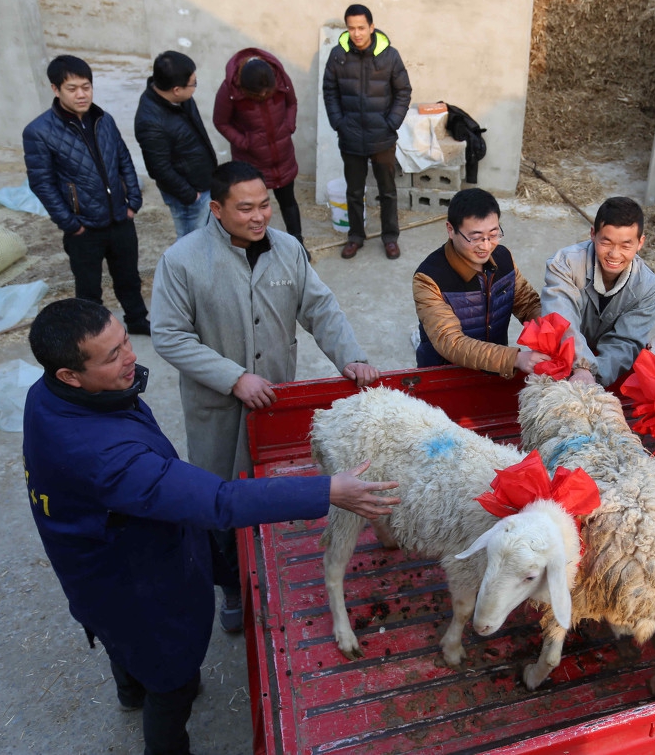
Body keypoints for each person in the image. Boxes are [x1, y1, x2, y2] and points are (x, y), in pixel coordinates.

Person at [22, 297, 398, 755]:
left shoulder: (50, 396)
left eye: (124, 341)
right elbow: (218, 503)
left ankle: (130, 691)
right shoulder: (104, 456)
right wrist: (326, 490)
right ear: (70, 374)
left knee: (120, 638)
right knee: (170, 681)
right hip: (128, 573)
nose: (131, 356)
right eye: (113, 355)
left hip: (92, 554)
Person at [150, 160, 383, 631]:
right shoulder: (183, 261)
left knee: (269, 484)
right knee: (217, 495)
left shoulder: (288, 250)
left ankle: (270, 565)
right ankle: (232, 586)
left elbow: (320, 308)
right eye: (245, 208)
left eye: (264, 205)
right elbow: (169, 335)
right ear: (216, 209)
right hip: (216, 407)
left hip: (275, 399)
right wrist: (233, 377)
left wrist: (351, 357)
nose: (258, 217)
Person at [23, 54, 150, 334]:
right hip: (84, 227)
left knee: (129, 277)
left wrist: (133, 203)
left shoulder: (104, 120)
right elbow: (41, 183)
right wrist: (71, 224)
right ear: (55, 89)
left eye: (86, 86)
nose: (82, 94)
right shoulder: (39, 132)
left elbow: (124, 161)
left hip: (120, 218)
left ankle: (138, 321)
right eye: (72, 88)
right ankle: (95, 336)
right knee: (89, 287)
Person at [413, 187, 549, 377]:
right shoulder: (429, 278)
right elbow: (451, 342)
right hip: (446, 375)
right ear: (451, 230)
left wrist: (550, 332)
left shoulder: (503, 258)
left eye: (493, 235)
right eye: (475, 238)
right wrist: (514, 359)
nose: (486, 246)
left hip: (496, 368)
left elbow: (527, 303)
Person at [540, 196, 655, 388]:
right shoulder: (565, 263)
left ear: (640, 242)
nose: (614, 254)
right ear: (593, 234)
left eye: (625, 245)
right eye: (606, 242)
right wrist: (581, 366)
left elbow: (626, 343)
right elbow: (561, 320)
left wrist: (593, 376)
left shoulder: (648, 287)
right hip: (562, 358)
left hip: (605, 371)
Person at [323, 3, 411, 260]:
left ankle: (390, 237)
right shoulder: (338, 56)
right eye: (351, 28)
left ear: (371, 27)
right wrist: (338, 122)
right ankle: (356, 236)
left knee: (387, 191)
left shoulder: (390, 56)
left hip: (382, 136)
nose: (357, 33)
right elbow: (330, 91)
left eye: (361, 27)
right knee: (353, 191)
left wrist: (391, 121)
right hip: (350, 135)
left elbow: (403, 91)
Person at [213, 49, 302, 243]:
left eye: (267, 92)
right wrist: (244, 142)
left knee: (288, 203)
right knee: (253, 210)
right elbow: (221, 122)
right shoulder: (230, 90)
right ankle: (254, 246)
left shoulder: (280, 78)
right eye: (257, 94)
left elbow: (291, 103)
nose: (263, 95)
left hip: (282, 155)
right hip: (251, 160)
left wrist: (288, 126)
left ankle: (298, 244)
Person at [134, 50, 217, 239]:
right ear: (176, 89)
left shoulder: (180, 99)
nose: (195, 87)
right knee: (192, 244)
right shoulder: (150, 122)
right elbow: (159, 169)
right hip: (189, 197)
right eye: (193, 83)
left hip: (203, 184)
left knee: (208, 237)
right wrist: (191, 196)